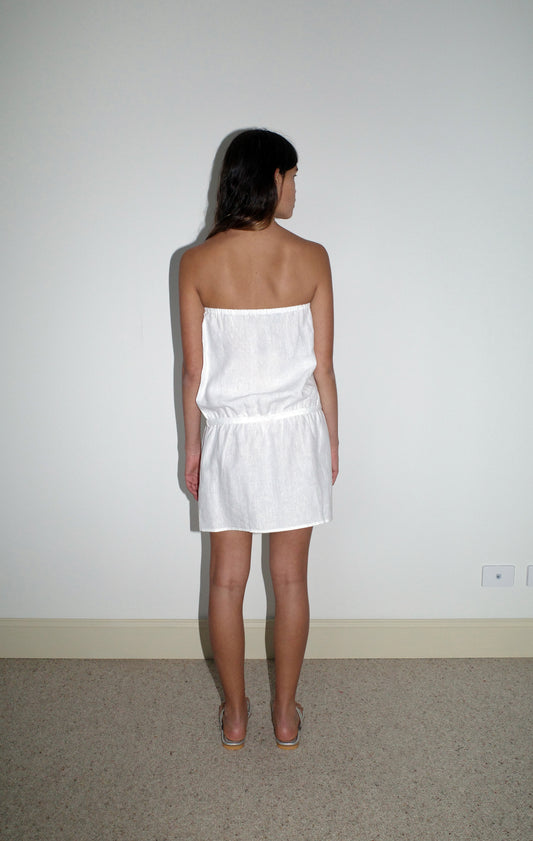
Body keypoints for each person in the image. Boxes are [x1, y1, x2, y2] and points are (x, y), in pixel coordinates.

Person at [179, 129, 338, 749]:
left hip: (231, 440)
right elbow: (324, 367)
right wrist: (331, 439)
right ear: (271, 177)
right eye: (293, 176)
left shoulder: (196, 262)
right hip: (296, 434)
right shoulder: (314, 257)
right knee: (291, 580)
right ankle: (286, 713)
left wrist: (192, 449)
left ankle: (237, 715)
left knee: (226, 581)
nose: (296, 188)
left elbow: (194, 373)